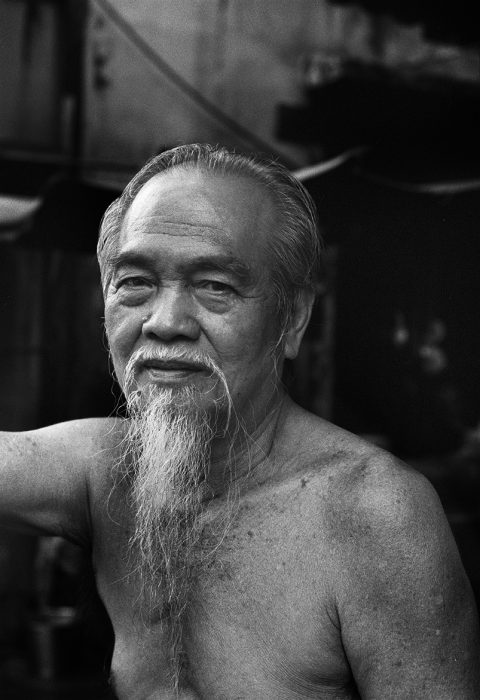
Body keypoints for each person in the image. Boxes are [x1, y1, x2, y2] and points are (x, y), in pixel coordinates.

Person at [1, 143, 479, 699]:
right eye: (134, 282)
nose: (166, 322)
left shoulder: (373, 513)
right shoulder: (99, 471)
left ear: (293, 317)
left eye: (216, 286)